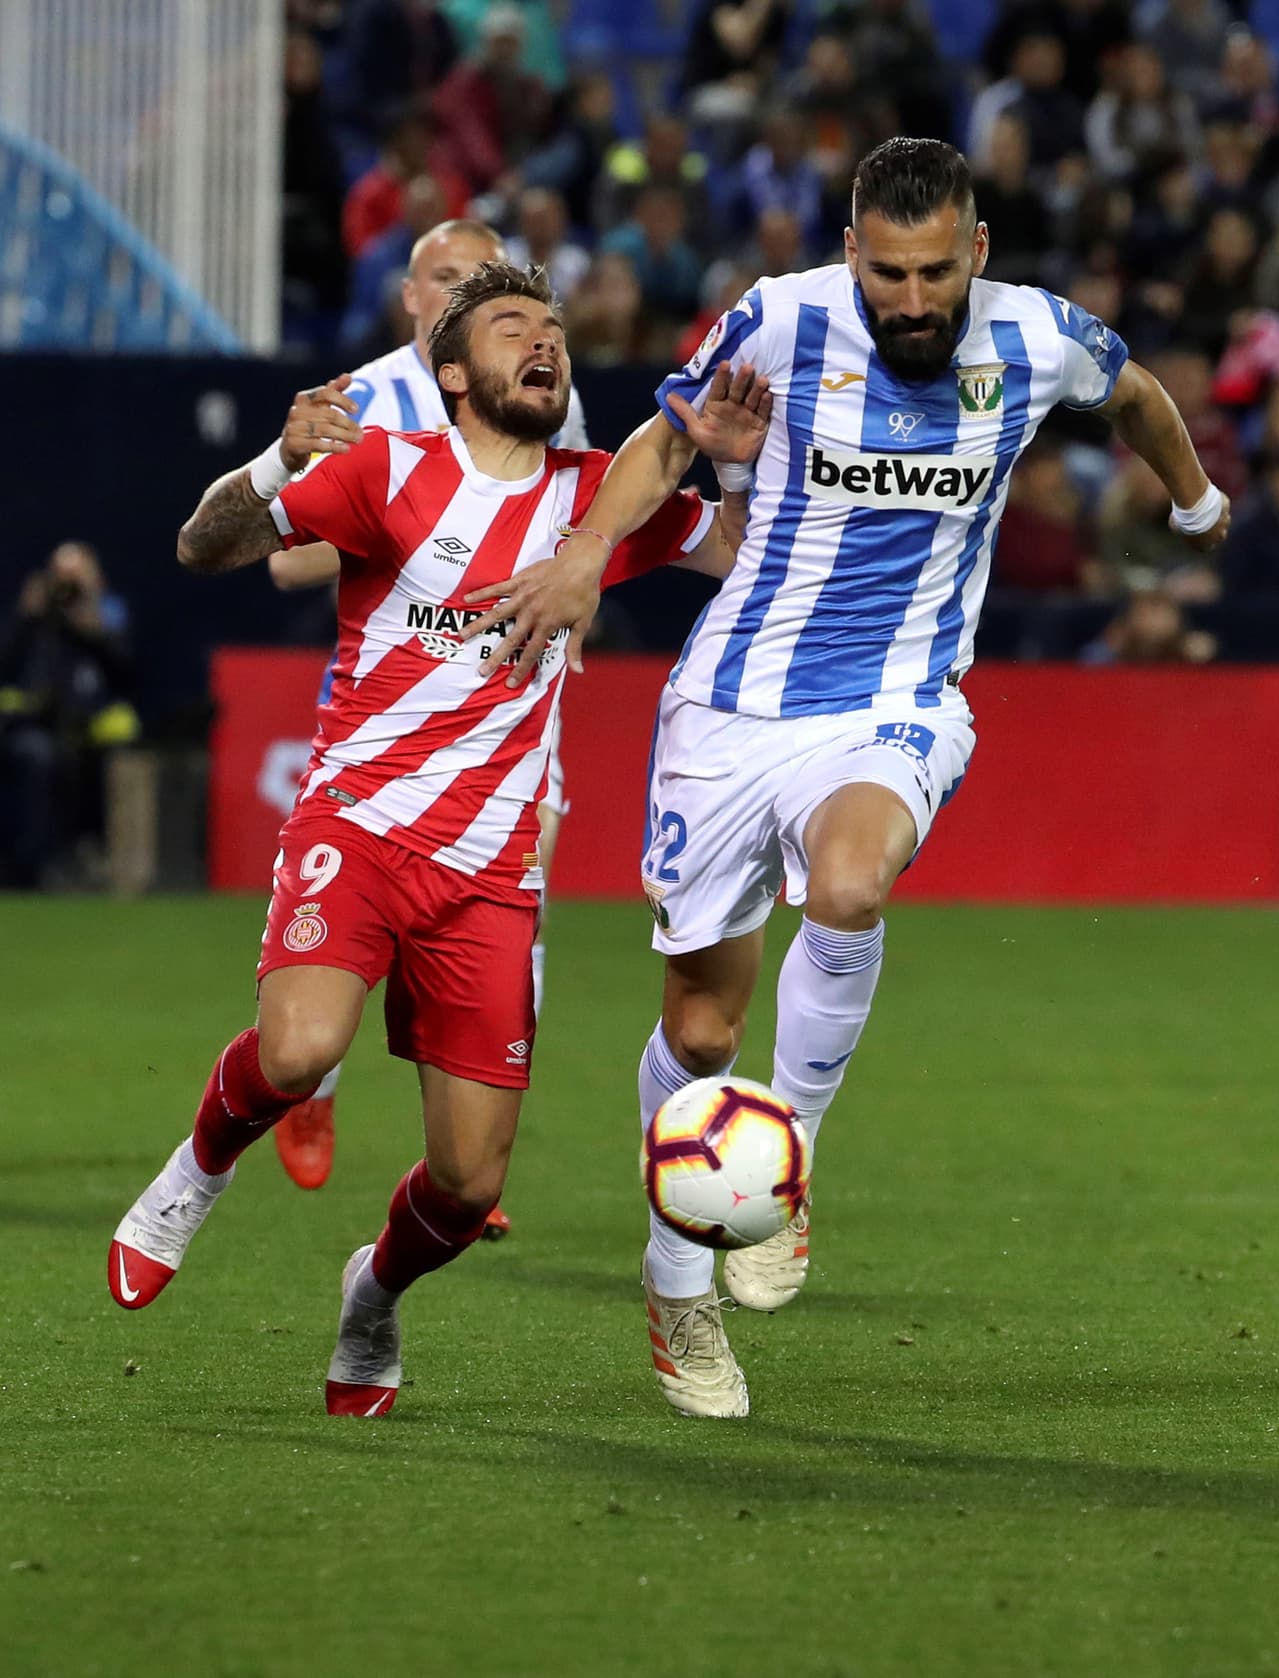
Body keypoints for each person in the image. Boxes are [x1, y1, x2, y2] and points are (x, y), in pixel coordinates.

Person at [459, 138, 1231, 1419]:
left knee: (852, 884)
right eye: (888, 275)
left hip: (896, 701)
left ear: (975, 251)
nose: (914, 302)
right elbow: (659, 447)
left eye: (936, 273)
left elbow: (1138, 395)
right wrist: (591, 550)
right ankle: (674, 1286)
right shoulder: (779, 319)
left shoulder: (1036, 338)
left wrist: (1196, 504)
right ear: (847, 254)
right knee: (699, 1030)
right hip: (730, 708)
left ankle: (788, 1152)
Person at [107, 261, 771, 1421]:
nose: (544, 341)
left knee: (466, 1187)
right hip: (355, 827)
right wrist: (273, 461)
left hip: (488, 875)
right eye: (513, 324)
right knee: (303, 1048)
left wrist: (724, 458)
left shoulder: (595, 500)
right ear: (451, 371)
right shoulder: (387, 470)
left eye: (554, 327)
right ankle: (193, 1173)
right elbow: (202, 547)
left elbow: (738, 551)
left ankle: (372, 1292)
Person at [268, 217, 587, 1197]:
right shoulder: (363, 400)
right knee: (349, 941)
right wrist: (411, 547)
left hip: (513, 697)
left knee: (507, 906)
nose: (457, 293)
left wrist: (571, 589)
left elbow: (581, 529)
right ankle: (312, 1075)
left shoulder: (541, 390)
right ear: (410, 296)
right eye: (441, 278)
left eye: (472, 278)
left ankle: (456, 1154)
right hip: (390, 701)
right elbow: (286, 557)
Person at [0, 542, 138, 889]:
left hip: (91, 733)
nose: (66, 588)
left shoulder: (106, 616)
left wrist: (89, 622)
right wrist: (27, 615)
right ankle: (33, 864)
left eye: (75, 578)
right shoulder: (34, 620)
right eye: (60, 578)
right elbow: (8, 665)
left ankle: (90, 859)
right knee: (42, 757)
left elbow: (125, 673)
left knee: (104, 765)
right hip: (33, 728)